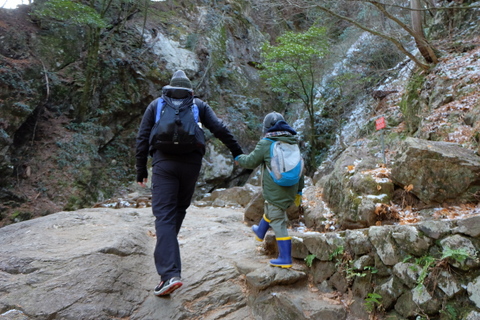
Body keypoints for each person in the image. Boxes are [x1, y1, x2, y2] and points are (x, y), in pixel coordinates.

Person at [136, 70, 244, 296]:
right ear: (190, 91)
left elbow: (143, 136)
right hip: (191, 165)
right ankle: (169, 261)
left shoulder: (156, 105)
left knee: (164, 215)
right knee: (178, 209)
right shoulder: (198, 105)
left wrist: (140, 170)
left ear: (168, 87)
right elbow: (220, 128)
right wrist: (237, 153)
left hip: (164, 163)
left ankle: (169, 274)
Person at [235, 112, 304, 268]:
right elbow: (301, 167)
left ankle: (285, 258)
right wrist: (299, 191)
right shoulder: (293, 142)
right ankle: (260, 231)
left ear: (266, 127)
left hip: (276, 189)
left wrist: (239, 158)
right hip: (291, 188)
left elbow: (251, 161)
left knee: (277, 220)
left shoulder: (267, 143)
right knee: (272, 209)